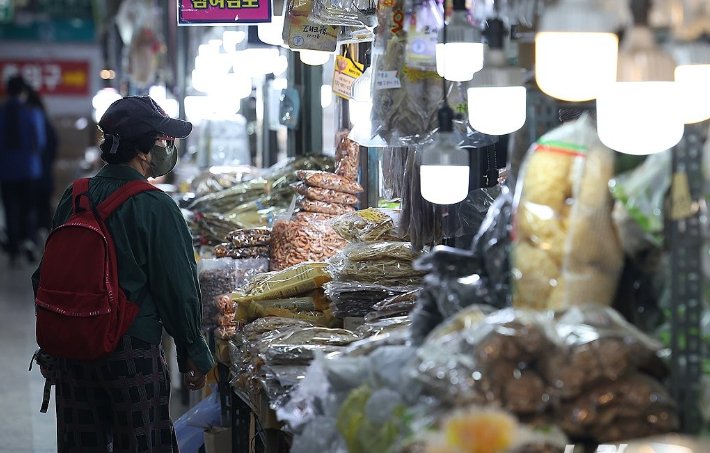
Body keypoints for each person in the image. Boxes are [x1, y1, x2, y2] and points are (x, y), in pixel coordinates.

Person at [31, 95, 214, 453]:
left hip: (74, 350)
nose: (169, 147)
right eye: (164, 140)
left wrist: (53, 343)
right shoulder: (155, 206)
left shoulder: (75, 196)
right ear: (143, 152)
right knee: (142, 443)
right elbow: (178, 290)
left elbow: (46, 277)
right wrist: (194, 352)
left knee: (81, 444)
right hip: (129, 353)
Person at [0, 75, 45, 264]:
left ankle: (13, 249)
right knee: (29, 209)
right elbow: (40, 142)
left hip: (6, 171)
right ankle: (29, 242)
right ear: (23, 92)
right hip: (29, 170)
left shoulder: (1, 113)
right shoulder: (32, 113)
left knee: (10, 210)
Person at [25, 86, 58, 236]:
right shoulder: (43, 119)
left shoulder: (31, 116)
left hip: (32, 172)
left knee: (31, 207)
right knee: (42, 206)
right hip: (42, 172)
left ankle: (32, 238)